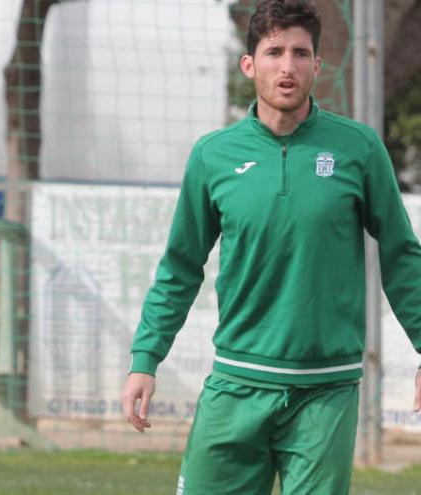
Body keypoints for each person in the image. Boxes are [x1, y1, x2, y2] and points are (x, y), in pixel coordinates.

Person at [121, 1, 421, 493]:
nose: (288, 66)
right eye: (274, 51)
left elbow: (401, 254)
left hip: (326, 389)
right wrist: (144, 358)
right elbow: (180, 267)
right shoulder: (213, 156)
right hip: (236, 381)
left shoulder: (359, 149)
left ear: (317, 66)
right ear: (249, 64)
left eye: (301, 53)